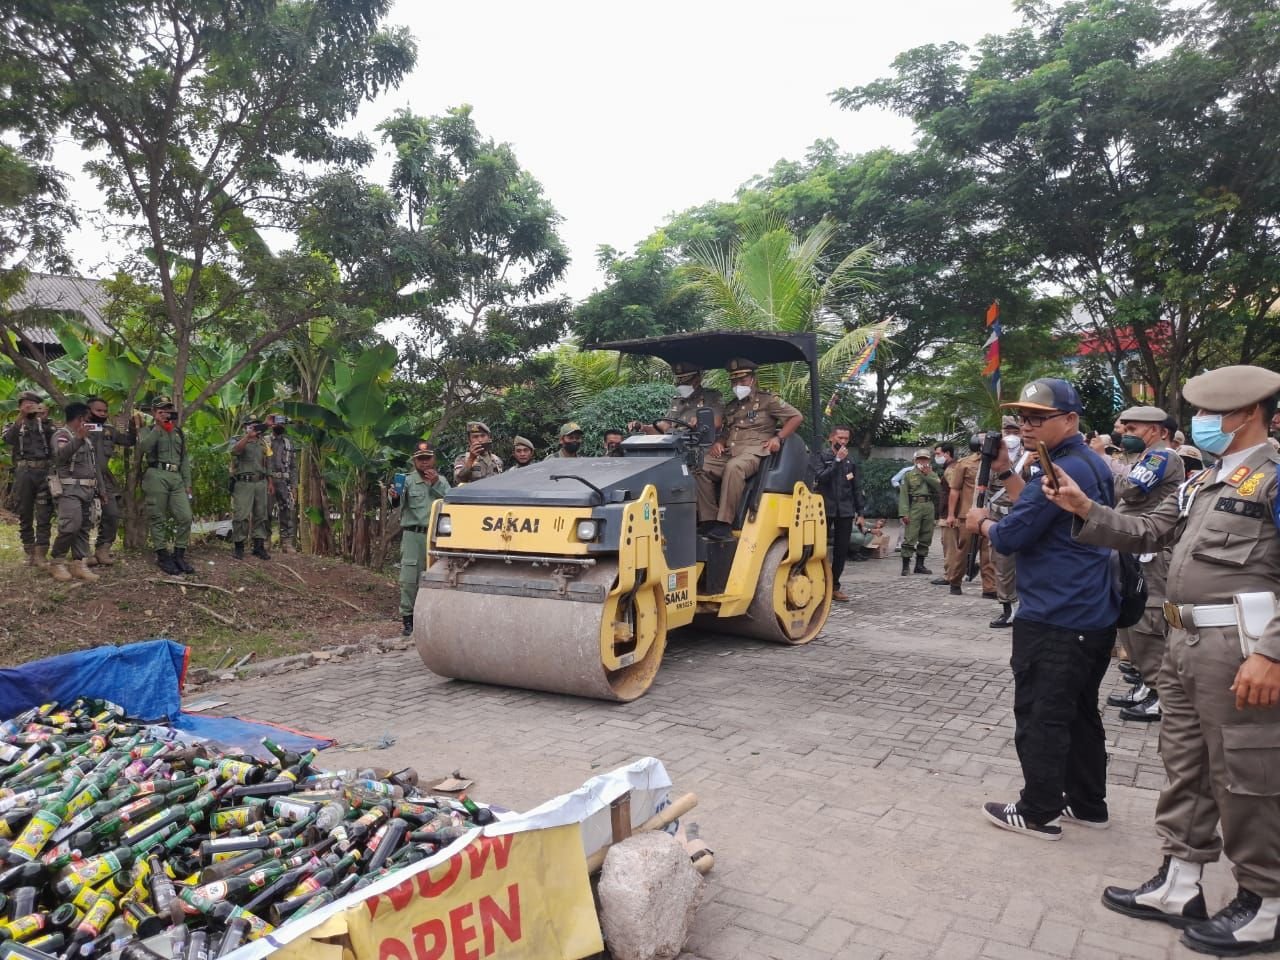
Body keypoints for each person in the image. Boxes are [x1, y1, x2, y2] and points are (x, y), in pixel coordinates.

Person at [1043, 365, 1280, 953]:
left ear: (1248, 413)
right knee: (1185, 766)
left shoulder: (1274, 477)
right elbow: (1150, 531)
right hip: (1185, 642)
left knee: (1247, 775)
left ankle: (1265, 901)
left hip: (1241, 649)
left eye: (1212, 413)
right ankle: (1180, 881)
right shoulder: (1205, 480)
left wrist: (1272, 653)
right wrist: (1084, 508)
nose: (1201, 422)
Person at [964, 377, 1119, 841]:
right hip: (1090, 612)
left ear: (1069, 420)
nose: (1026, 426)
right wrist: (1006, 471)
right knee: (1079, 713)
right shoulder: (1085, 463)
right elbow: (1041, 511)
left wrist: (982, 523)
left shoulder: (1060, 470)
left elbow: (1012, 535)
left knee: (1041, 715)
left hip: (1056, 615)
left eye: (1038, 418)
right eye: (1023, 418)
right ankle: (1087, 803)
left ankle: (1037, 811)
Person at [1104, 406, 1185, 724]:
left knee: (1147, 623)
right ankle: (1145, 683)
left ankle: (1160, 694)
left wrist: (1104, 465)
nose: (1125, 434)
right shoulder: (1144, 457)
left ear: (1156, 430)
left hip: (1152, 554)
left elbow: (1127, 489)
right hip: (1133, 550)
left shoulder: (1161, 457)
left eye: (1132, 429)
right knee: (1129, 620)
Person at [695, 358, 803, 540]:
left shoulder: (768, 400)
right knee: (700, 466)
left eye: (742, 380)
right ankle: (708, 520)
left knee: (734, 467)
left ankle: (724, 524)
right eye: (734, 381)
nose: (738, 385)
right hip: (731, 452)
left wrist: (778, 438)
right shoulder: (732, 406)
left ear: (753, 379)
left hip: (754, 452)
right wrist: (719, 442)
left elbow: (796, 417)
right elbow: (727, 431)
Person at [391, 441, 450, 637]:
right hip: (413, 535)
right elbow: (396, 503)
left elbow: (451, 501)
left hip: (438, 538)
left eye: (427, 458)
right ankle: (408, 619)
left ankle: (434, 618)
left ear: (434, 459)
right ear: (414, 461)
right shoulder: (407, 481)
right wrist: (394, 496)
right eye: (420, 459)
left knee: (439, 576)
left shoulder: (442, 481)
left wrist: (435, 483)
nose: (424, 462)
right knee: (409, 578)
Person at [138, 398, 193, 574]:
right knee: (157, 517)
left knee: (186, 516)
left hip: (176, 477)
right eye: (161, 410)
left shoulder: (178, 432)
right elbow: (144, 447)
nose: (165, 413)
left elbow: (184, 459)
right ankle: (162, 556)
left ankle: (179, 554)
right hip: (156, 474)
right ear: (154, 412)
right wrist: (158, 426)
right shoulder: (147, 430)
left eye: (168, 410)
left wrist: (188, 483)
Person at [47, 401, 99, 583]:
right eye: (87, 419)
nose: (89, 422)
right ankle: (57, 561)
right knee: (70, 526)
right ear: (79, 419)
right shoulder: (62, 435)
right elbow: (60, 456)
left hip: (87, 489)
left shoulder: (87, 439)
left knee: (84, 527)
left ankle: (79, 563)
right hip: (69, 488)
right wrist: (77, 438)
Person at [813, 425, 865, 602]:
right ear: (831, 438)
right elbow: (821, 478)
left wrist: (860, 512)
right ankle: (817, 584)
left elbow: (856, 487)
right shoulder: (822, 457)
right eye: (840, 438)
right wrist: (836, 461)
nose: (843, 442)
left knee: (841, 551)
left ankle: (834, 586)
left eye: (846, 439)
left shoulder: (850, 461)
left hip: (845, 511)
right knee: (818, 548)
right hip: (824, 510)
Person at [939, 436, 997, 598]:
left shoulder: (998, 462)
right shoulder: (965, 463)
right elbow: (955, 489)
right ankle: (955, 581)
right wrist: (951, 514)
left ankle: (989, 587)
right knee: (963, 550)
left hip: (990, 514)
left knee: (988, 552)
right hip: (968, 514)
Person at [82, 396, 134, 568]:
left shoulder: (110, 431)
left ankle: (103, 549)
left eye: (105, 411)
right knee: (83, 516)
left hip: (105, 478)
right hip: (83, 478)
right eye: (98, 410)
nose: (103, 414)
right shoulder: (79, 429)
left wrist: (134, 427)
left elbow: (128, 441)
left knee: (112, 513)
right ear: (88, 411)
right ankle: (82, 553)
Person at [4, 390, 54, 567]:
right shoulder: (14, 425)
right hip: (24, 472)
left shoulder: (47, 424)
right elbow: (8, 439)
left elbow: (56, 440)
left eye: (33, 404)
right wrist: (22, 417)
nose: (30, 407)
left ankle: (41, 553)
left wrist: (45, 420)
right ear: (20, 407)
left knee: (44, 513)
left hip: (44, 472)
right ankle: (30, 551)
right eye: (26, 405)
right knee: (25, 512)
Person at [989, 416, 1022, 628]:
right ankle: (1008, 607)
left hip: (1022, 516)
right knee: (1001, 563)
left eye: (1015, 431)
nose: (1011, 435)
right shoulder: (991, 457)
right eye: (1007, 431)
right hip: (998, 516)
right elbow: (982, 488)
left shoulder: (1030, 456)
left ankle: (1022, 605)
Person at [628, 362, 724, 435]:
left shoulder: (711, 397)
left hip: (699, 444)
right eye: (679, 380)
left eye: (686, 380)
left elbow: (717, 423)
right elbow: (664, 427)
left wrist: (701, 422)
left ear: (697, 379)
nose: (681, 384)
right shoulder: (676, 401)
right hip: (674, 445)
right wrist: (643, 427)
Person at [230, 417, 271, 561]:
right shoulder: (237, 439)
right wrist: (248, 436)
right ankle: (239, 546)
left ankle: (258, 547)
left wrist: (270, 482)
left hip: (261, 482)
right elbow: (235, 451)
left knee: (261, 515)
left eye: (256, 426)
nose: (254, 428)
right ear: (244, 427)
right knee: (241, 515)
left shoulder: (263, 442)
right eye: (250, 426)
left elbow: (267, 462)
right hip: (243, 483)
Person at [898, 449, 940, 576]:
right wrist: (904, 513)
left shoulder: (933, 474)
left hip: (928, 505)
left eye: (925, 459)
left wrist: (928, 475)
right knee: (910, 536)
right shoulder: (909, 475)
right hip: (915, 506)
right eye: (920, 459)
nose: (923, 461)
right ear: (915, 461)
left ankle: (920, 565)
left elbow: (939, 488)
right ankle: (905, 566)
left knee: (926, 536)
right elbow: (903, 495)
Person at [266, 415, 300, 553]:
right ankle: (265, 540)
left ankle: (286, 543)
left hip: (284, 481)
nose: (280, 426)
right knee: (265, 510)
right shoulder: (265, 441)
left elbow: (293, 466)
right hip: (267, 480)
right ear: (272, 425)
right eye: (277, 424)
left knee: (286, 511)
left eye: (282, 424)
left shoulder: (288, 443)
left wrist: (294, 486)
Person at [933, 444, 955, 567]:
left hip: (949, 513)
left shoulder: (951, 469)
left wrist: (951, 514)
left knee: (948, 544)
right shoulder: (948, 467)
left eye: (938, 454)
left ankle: (951, 572)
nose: (936, 457)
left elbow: (954, 491)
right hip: (947, 511)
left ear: (947, 453)